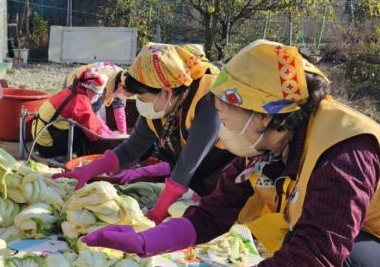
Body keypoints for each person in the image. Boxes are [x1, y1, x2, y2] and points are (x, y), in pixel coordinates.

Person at [83, 39, 380, 267]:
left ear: (267, 114)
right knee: (294, 254)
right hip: (363, 232)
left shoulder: (344, 152)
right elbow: (217, 209)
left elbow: (317, 257)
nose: (222, 130)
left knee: (325, 259)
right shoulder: (263, 143)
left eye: (227, 117)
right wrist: (147, 241)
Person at [56, 43, 234, 222]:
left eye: (141, 98)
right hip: (189, 183)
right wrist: (89, 170)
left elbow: (187, 167)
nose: (140, 104)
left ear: (166, 92)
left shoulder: (210, 102)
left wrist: (156, 214)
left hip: (223, 180)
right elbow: (130, 149)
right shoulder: (159, 103)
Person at [31, 67, 117, 159]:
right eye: (98, 94)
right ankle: (72, 158)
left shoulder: (72, 90)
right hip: (47, 147)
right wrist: (113, 140)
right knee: (84, 132)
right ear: (89, 90)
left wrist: (110, 133)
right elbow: (94, 134)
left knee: (82, 126)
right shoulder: (80, 100)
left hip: (39, 142)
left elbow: (93, 118)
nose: (98, 97)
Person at [64, 62, 132, 134]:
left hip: (93, 88)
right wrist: (110, 134)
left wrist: (123, 133)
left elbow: (119, 109)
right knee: (76, 119)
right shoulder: (102, 86)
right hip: (78, 81)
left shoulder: (124, 80)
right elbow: (93, 113)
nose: (126, 97)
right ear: (120, 85)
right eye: (127, 95)